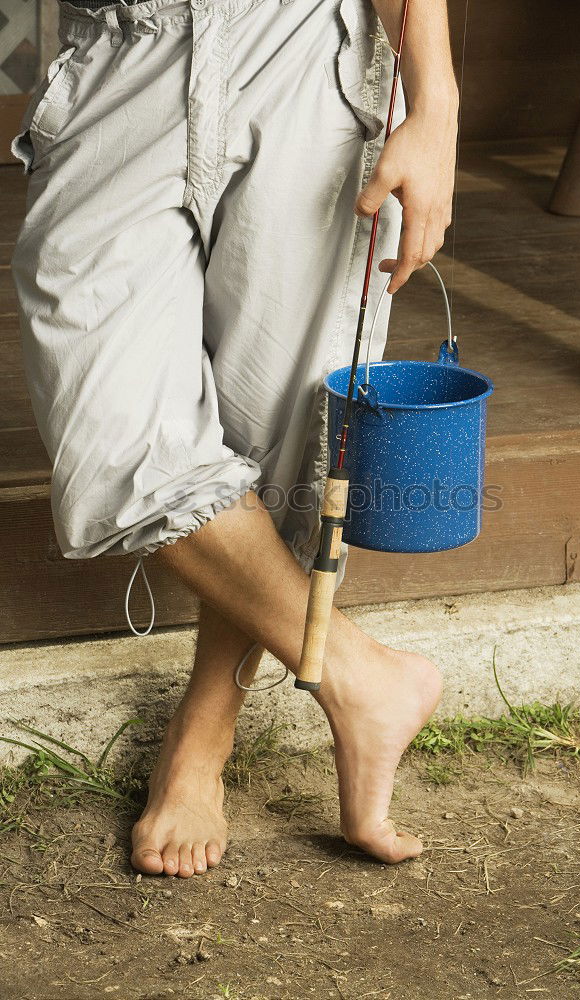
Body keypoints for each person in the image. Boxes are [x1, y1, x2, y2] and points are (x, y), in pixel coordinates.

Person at [11, 0, 459, 875]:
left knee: (280, 426)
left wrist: (433, 102)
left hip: (310, 45)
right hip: (123, 44)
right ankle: (361, 677)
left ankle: (204, 731)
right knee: (113, 439)